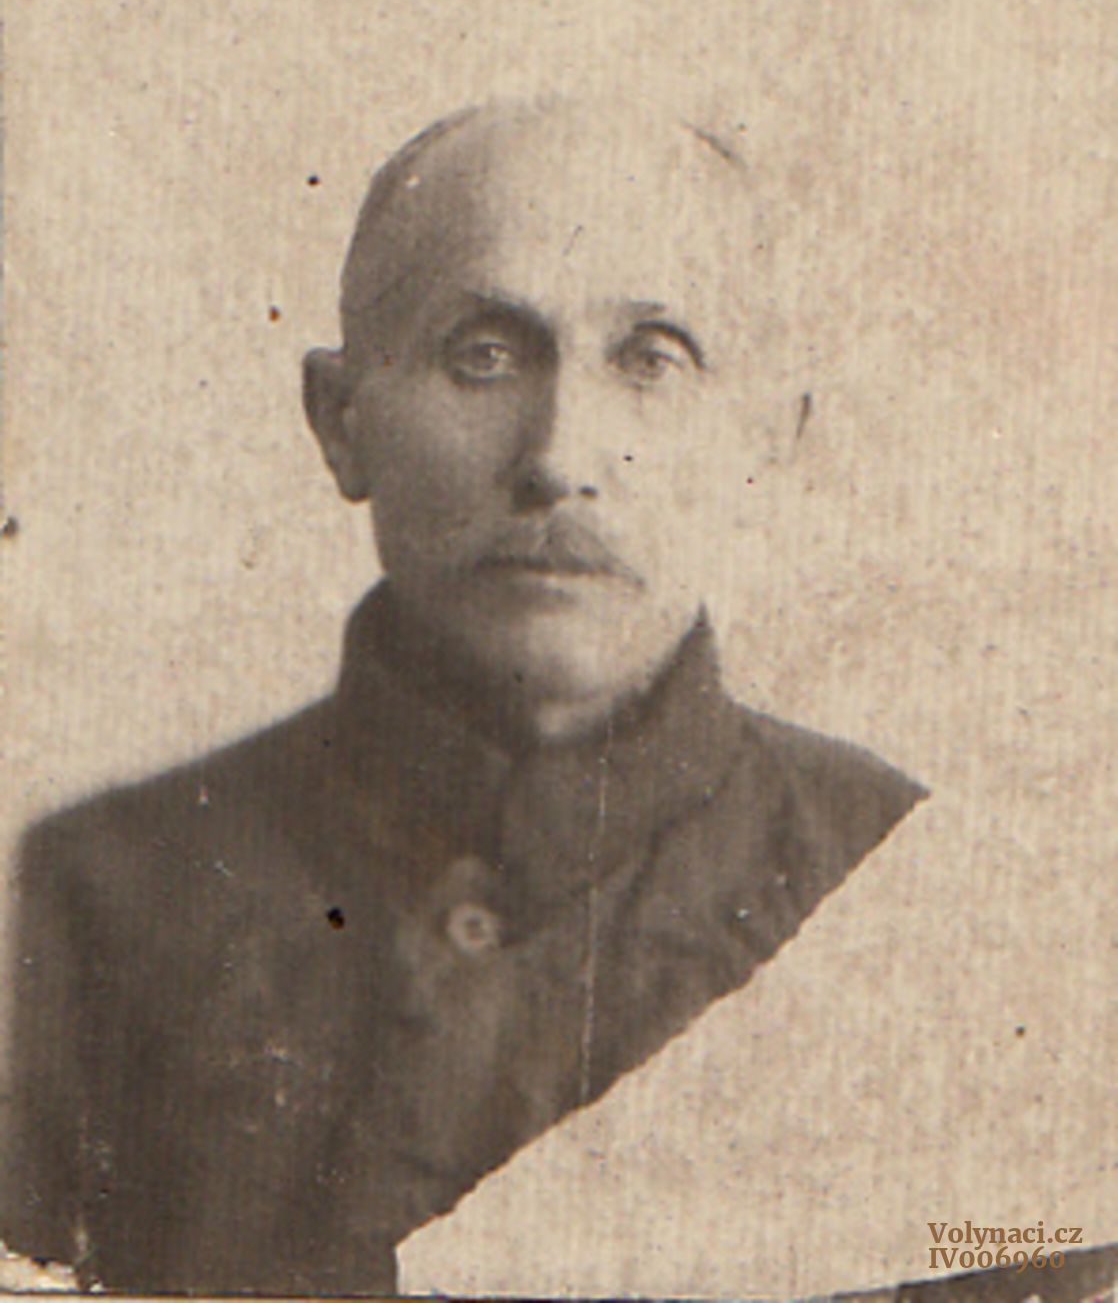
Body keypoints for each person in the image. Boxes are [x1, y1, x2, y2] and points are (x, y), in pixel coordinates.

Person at [0, 96, 928, 1295]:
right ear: (340, 421)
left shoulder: (899, 878)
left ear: (767, 435)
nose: (559, 459)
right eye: (482, 354)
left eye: (651, 359)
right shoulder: (96, 902)